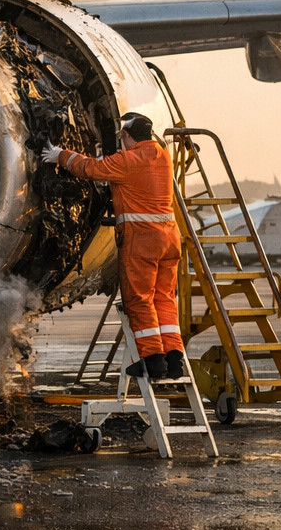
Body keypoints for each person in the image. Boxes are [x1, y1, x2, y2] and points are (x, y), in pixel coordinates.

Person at [43, 113, 185, 381]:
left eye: (122, 137)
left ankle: (153, 361)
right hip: (169, 240)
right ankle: (174, 360)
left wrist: (61, 155)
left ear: (129, 136)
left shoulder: (128, 160)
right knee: (164, 298)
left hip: (142, 240)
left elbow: (91, 169)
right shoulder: (162, 155)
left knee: (139, 299)